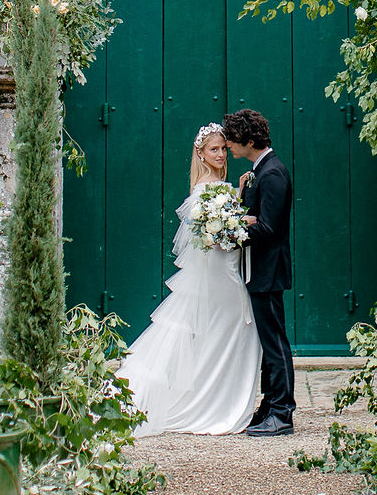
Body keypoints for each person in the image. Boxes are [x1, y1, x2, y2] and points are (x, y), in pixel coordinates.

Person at [117, 123, 261, 436]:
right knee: (229, 328)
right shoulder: (203, 190)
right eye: (214, 150)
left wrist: (236, 195)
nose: (221, 154)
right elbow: (210, 235)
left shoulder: (220, 187)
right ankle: (212, 403)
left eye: (223, 149)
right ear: (201, 154)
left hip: (228, 267)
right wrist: (234, 220)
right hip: (219, 272)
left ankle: (216, 397)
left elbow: (227, 221)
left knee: (225, 332)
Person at [222, 108, 296, 436]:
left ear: (250, 141)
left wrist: (233, 227)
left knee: (275, 340)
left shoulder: (273, 173)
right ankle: (269, 404)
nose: (228, 147)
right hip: (257, 271)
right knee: (267, 341)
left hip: (268, 271)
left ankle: (282, 413)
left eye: (233, 142)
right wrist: (242, 218)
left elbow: (269, 228)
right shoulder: (258, 171)